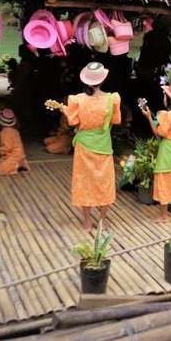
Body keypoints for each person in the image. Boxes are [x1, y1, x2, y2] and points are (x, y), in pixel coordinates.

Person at [59, 62, 121, 231]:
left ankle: (87, 222)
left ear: (86, 81)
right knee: (104, 181)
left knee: (84, 181)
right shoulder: (112, 99)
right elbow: (116, 121)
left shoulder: (77, 100)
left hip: (84, 146)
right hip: (103, 144)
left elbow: (73, 122)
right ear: (103, 80)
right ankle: (103, 220)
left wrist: (65, 111)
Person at [140, 82, 171, 223]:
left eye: (165, 95)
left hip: (167, 152)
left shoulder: (167, 115)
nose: (163, 97)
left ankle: (164, 216)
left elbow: (158, 133)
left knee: (163, 182)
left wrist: (149, 117)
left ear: (169, 99)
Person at [0, 108, 30, 176]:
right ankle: (19, 161)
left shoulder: (5, 132)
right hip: (11, 155)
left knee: (0, 171)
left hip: (14, 156)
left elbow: (7, 148)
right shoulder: (13, 130)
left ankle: (19, 164)